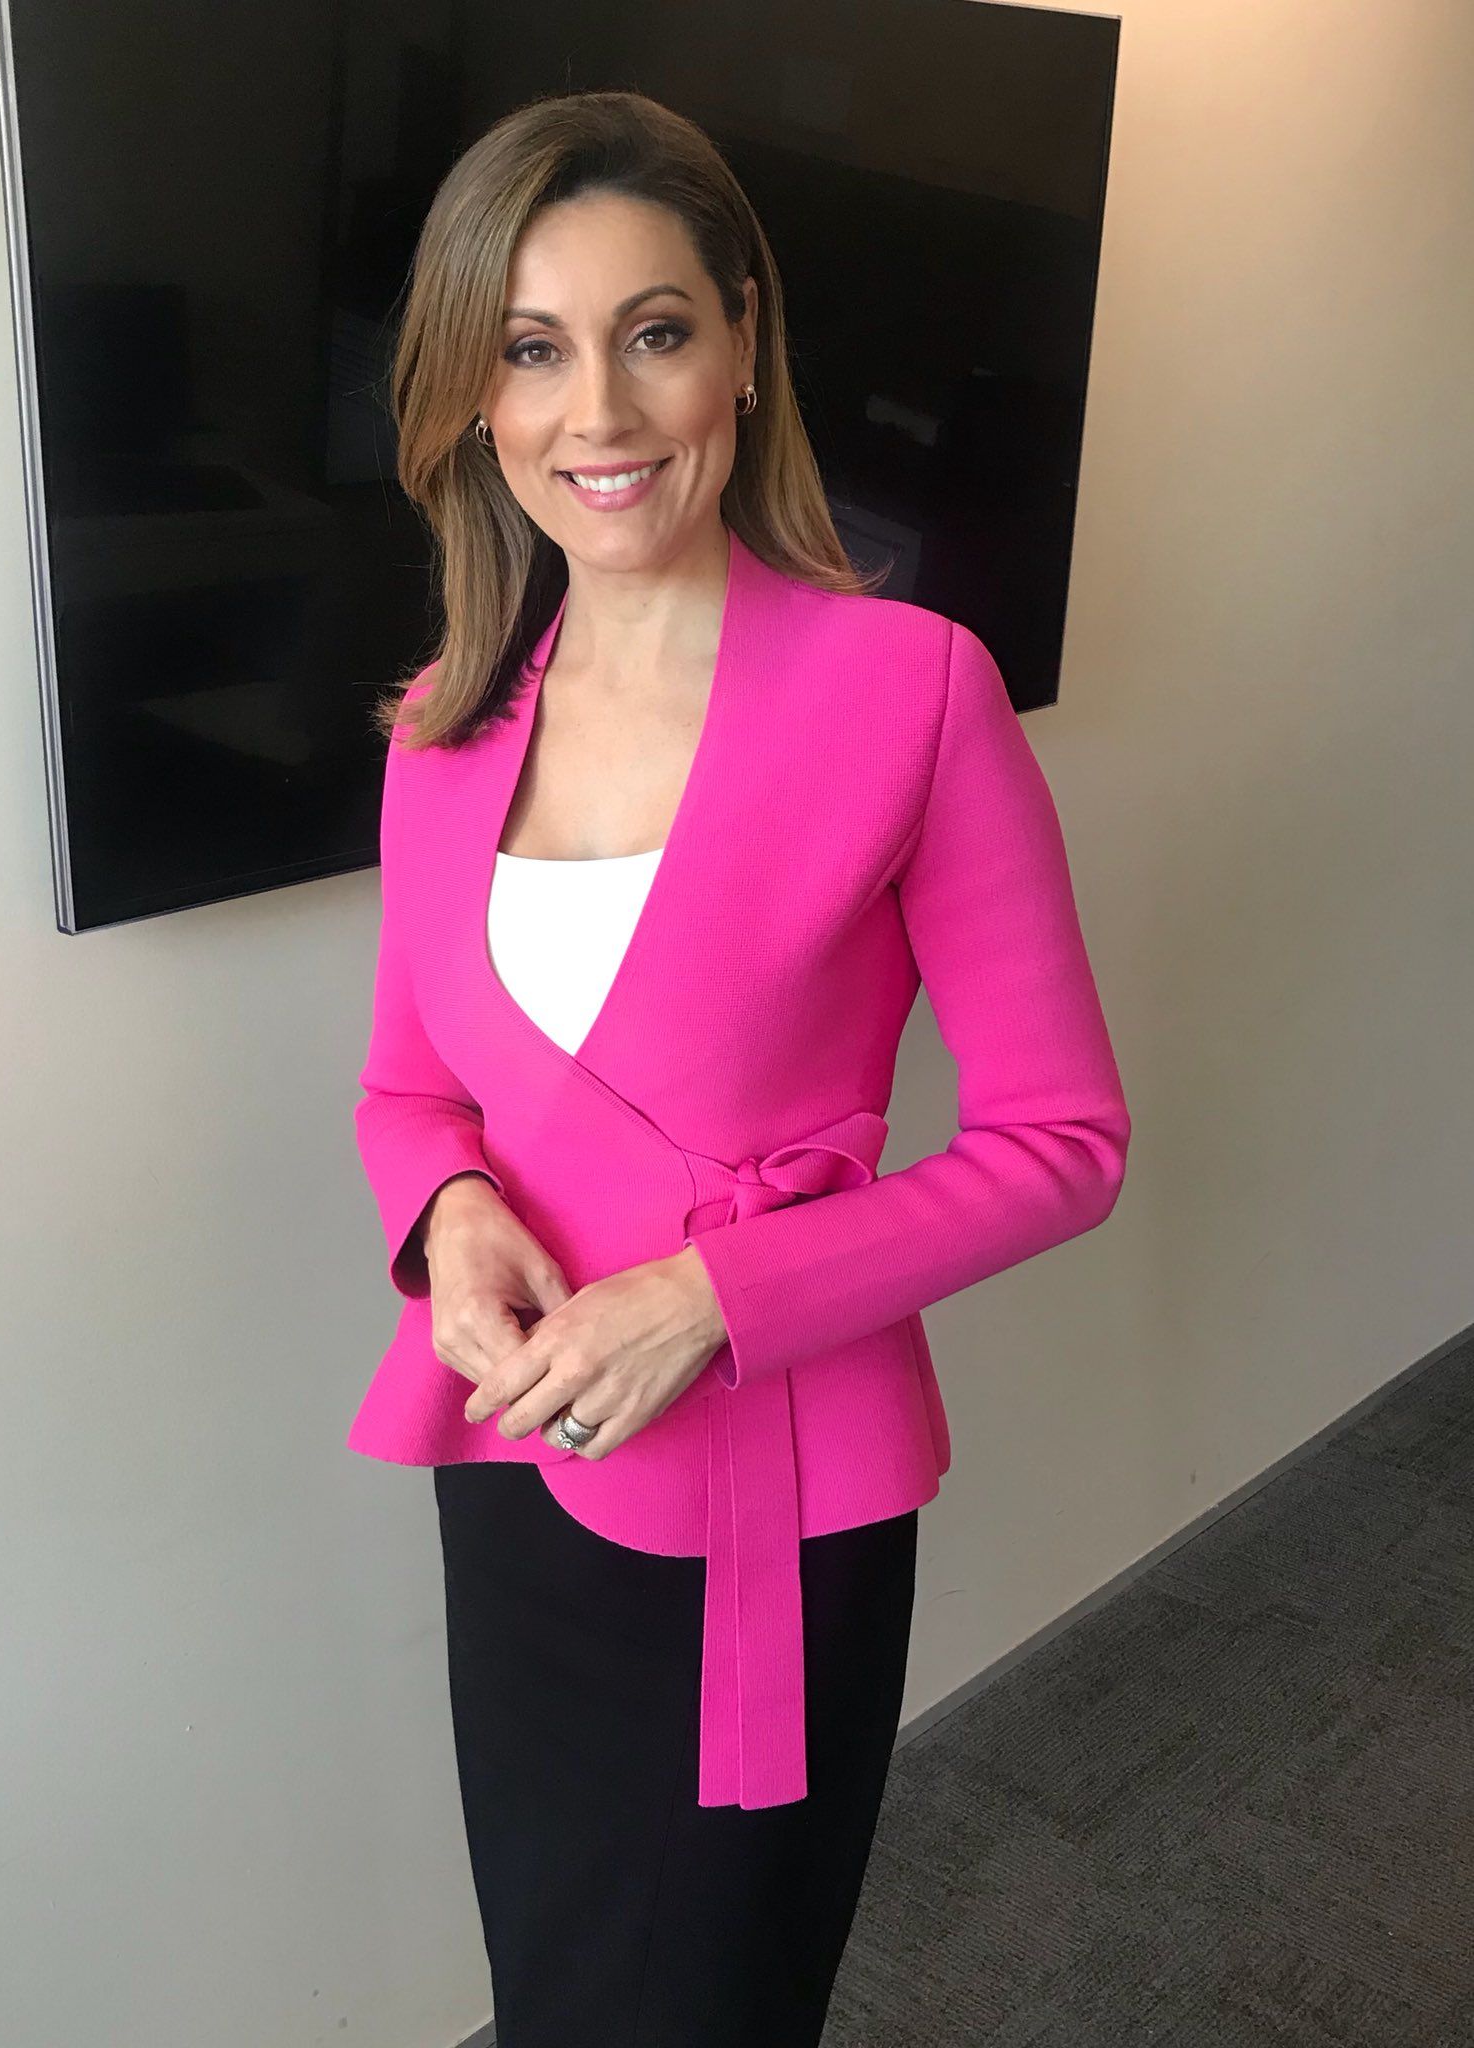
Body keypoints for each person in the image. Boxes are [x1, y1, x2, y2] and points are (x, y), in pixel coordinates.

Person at [346, 89, 1130, 2048]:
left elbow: (1064, 1141)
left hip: (764, 1486)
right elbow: (408, 1096)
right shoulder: (442, 732)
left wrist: (713, 1296)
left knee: (705, 2003)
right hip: (518, 1467)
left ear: (746, 344)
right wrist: (451, 1215)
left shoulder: (910, 690)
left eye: (654, 331)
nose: (598, 411)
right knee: (555, 1984)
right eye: (533, 349)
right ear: (474, 397)